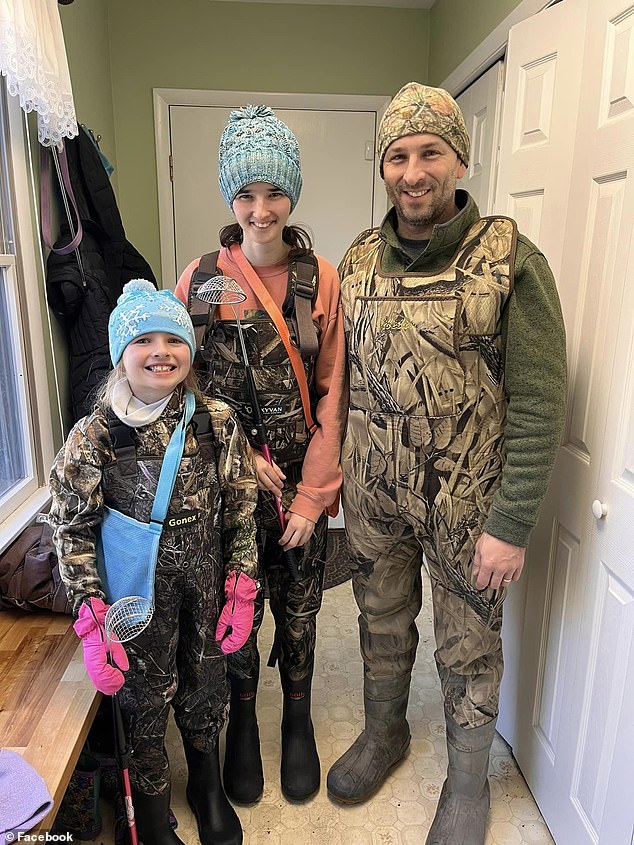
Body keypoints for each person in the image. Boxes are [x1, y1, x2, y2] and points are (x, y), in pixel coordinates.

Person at [326, 82, 567, 845]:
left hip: (468, 507)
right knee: (380, 620)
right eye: (397, 155)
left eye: (429, 151)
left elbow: (539, 401)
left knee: (468, 645)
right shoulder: (357, 259)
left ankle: (468, 783)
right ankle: (384, 733)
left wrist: (512, 521)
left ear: (459, 158)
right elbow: (341, 380)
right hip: (374, 497)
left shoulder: (510, 261)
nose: (412, 170)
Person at [175, 105, 347, 804]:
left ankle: (297, 718)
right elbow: (176, 388)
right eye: (246, 193)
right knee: (235, 606)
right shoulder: (199, 281)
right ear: (230, 198)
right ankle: (243, 718)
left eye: (274, 192)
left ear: (292, 196)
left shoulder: (320, 280)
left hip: (301, 488)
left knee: (299, 606)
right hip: (229, 491)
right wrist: (238, 455)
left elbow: (335, 395)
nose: (261, 208)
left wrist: (312, 496)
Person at [49, 279, 259, 845]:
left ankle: (206, 785)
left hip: (207, 586)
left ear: (189, 351)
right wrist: (92, 618)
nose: (160, 351)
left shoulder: (215, 421)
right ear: (121, 353)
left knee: (206, 681)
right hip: (137, 599)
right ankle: (151, 800)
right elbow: (72, 529)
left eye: (174, 338)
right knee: (144, 698)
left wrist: (241, 582)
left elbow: (241, 507)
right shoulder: (95, 435)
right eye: (144, 339)